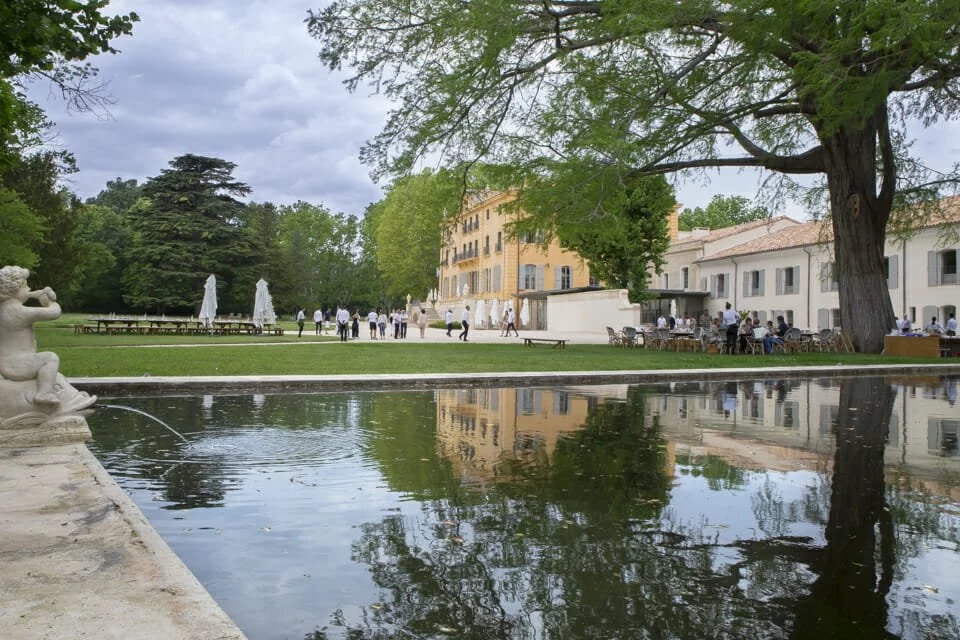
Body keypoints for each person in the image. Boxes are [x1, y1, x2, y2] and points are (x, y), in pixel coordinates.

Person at [0, 266, 63, 405]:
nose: (29, 288)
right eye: (25, 285)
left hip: (6, 362)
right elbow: (54, 313)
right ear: (14, 290)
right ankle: (44, 394)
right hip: (18, 365)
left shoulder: (4, 309)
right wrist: (50, 303)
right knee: (50, 358)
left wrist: (36, 294)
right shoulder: (18, 312)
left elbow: (22, 295)